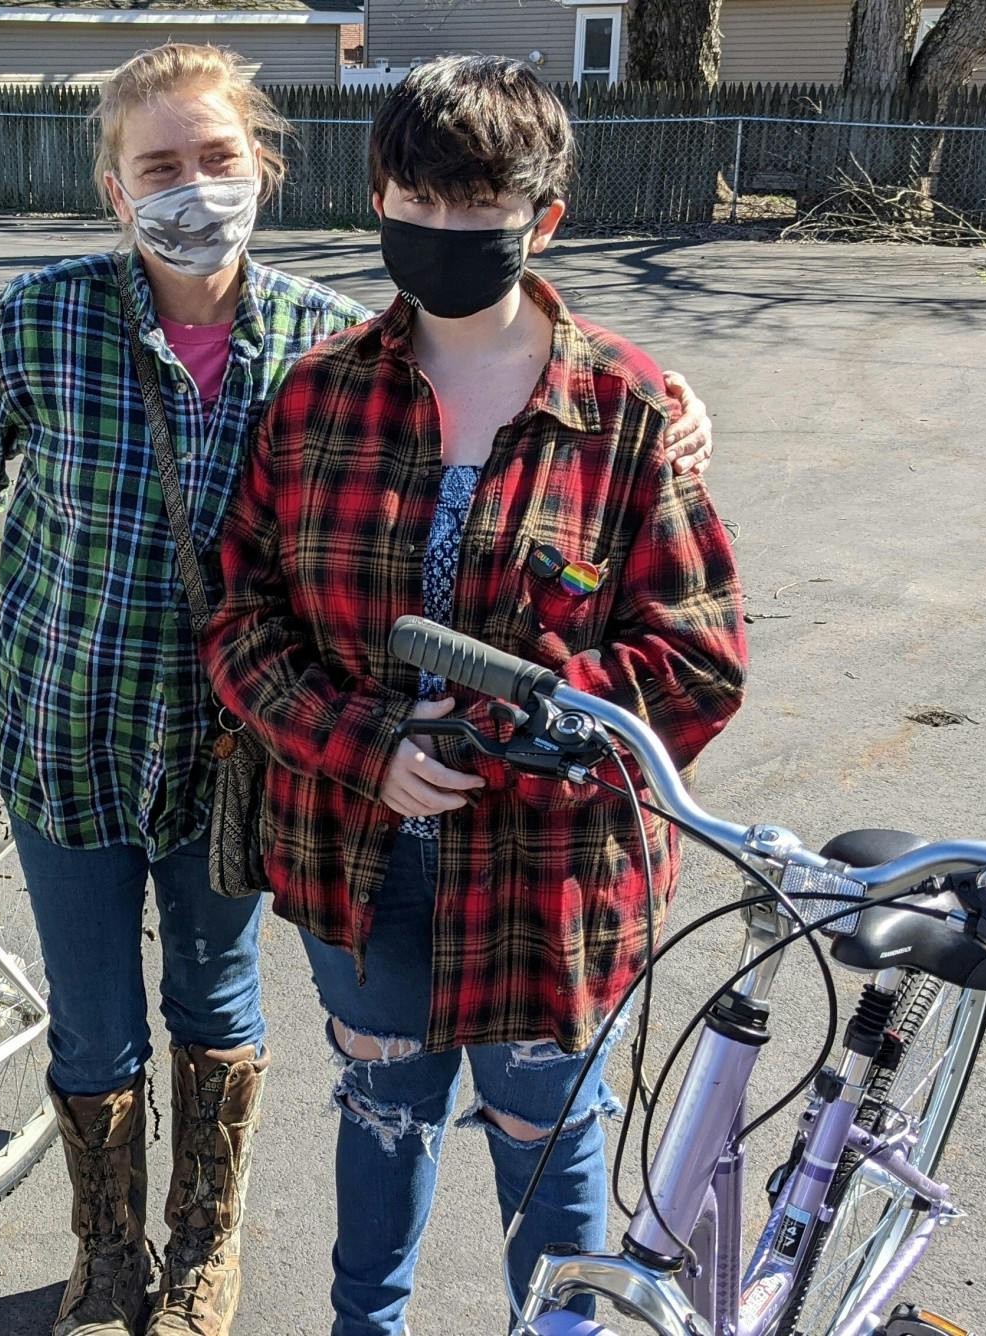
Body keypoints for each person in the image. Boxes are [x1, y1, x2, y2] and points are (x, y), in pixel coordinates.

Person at [0, 44, 716, 1336]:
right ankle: (108, 1255)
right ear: (113, 188)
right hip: (68, 741)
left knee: (218, 1006)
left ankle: (204, 1253)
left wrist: (663, 405)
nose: (191, 188)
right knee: (96, 1030)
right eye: (159, 167)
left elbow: (495, 349)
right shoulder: (47, 322)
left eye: (217, 160)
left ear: (266, 168)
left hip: (241, 768)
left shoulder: (325, 341)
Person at [199, 56, 750, 1336]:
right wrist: (367, 745)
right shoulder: (317, 398)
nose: (442, 232)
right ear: (379, 197)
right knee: (382, 1120)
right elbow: (240, 618)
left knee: (544, 1147)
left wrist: (493, 738)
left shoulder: (624, 411)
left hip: (549, 881)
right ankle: (363, 1323)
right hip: (360, 860)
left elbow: (695, 658)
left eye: (478, 206)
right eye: (416, 201)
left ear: (541, 217)